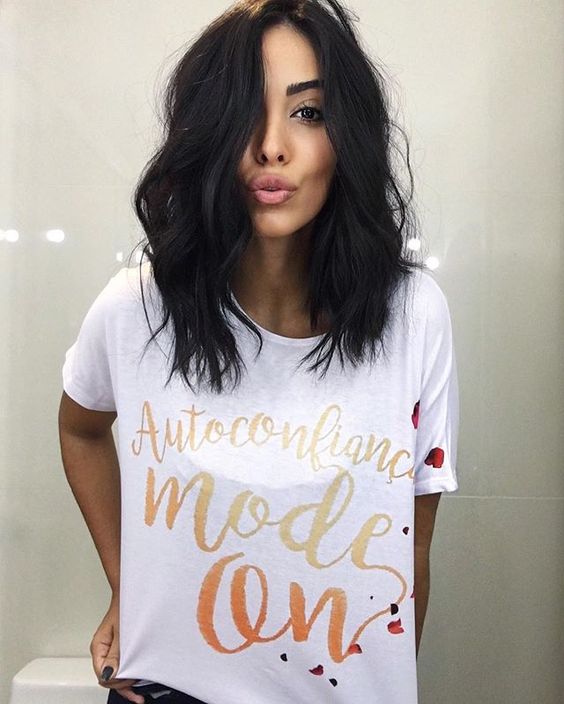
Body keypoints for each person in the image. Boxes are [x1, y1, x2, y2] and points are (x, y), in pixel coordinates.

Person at [58, 1, 460, 703]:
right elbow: (81, 428)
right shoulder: (138, 307)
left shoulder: (412, 315)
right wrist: (129, 585)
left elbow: (412, 545)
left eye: (308, 113)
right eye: (245, 111)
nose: (272, 145)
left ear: (347, 135)